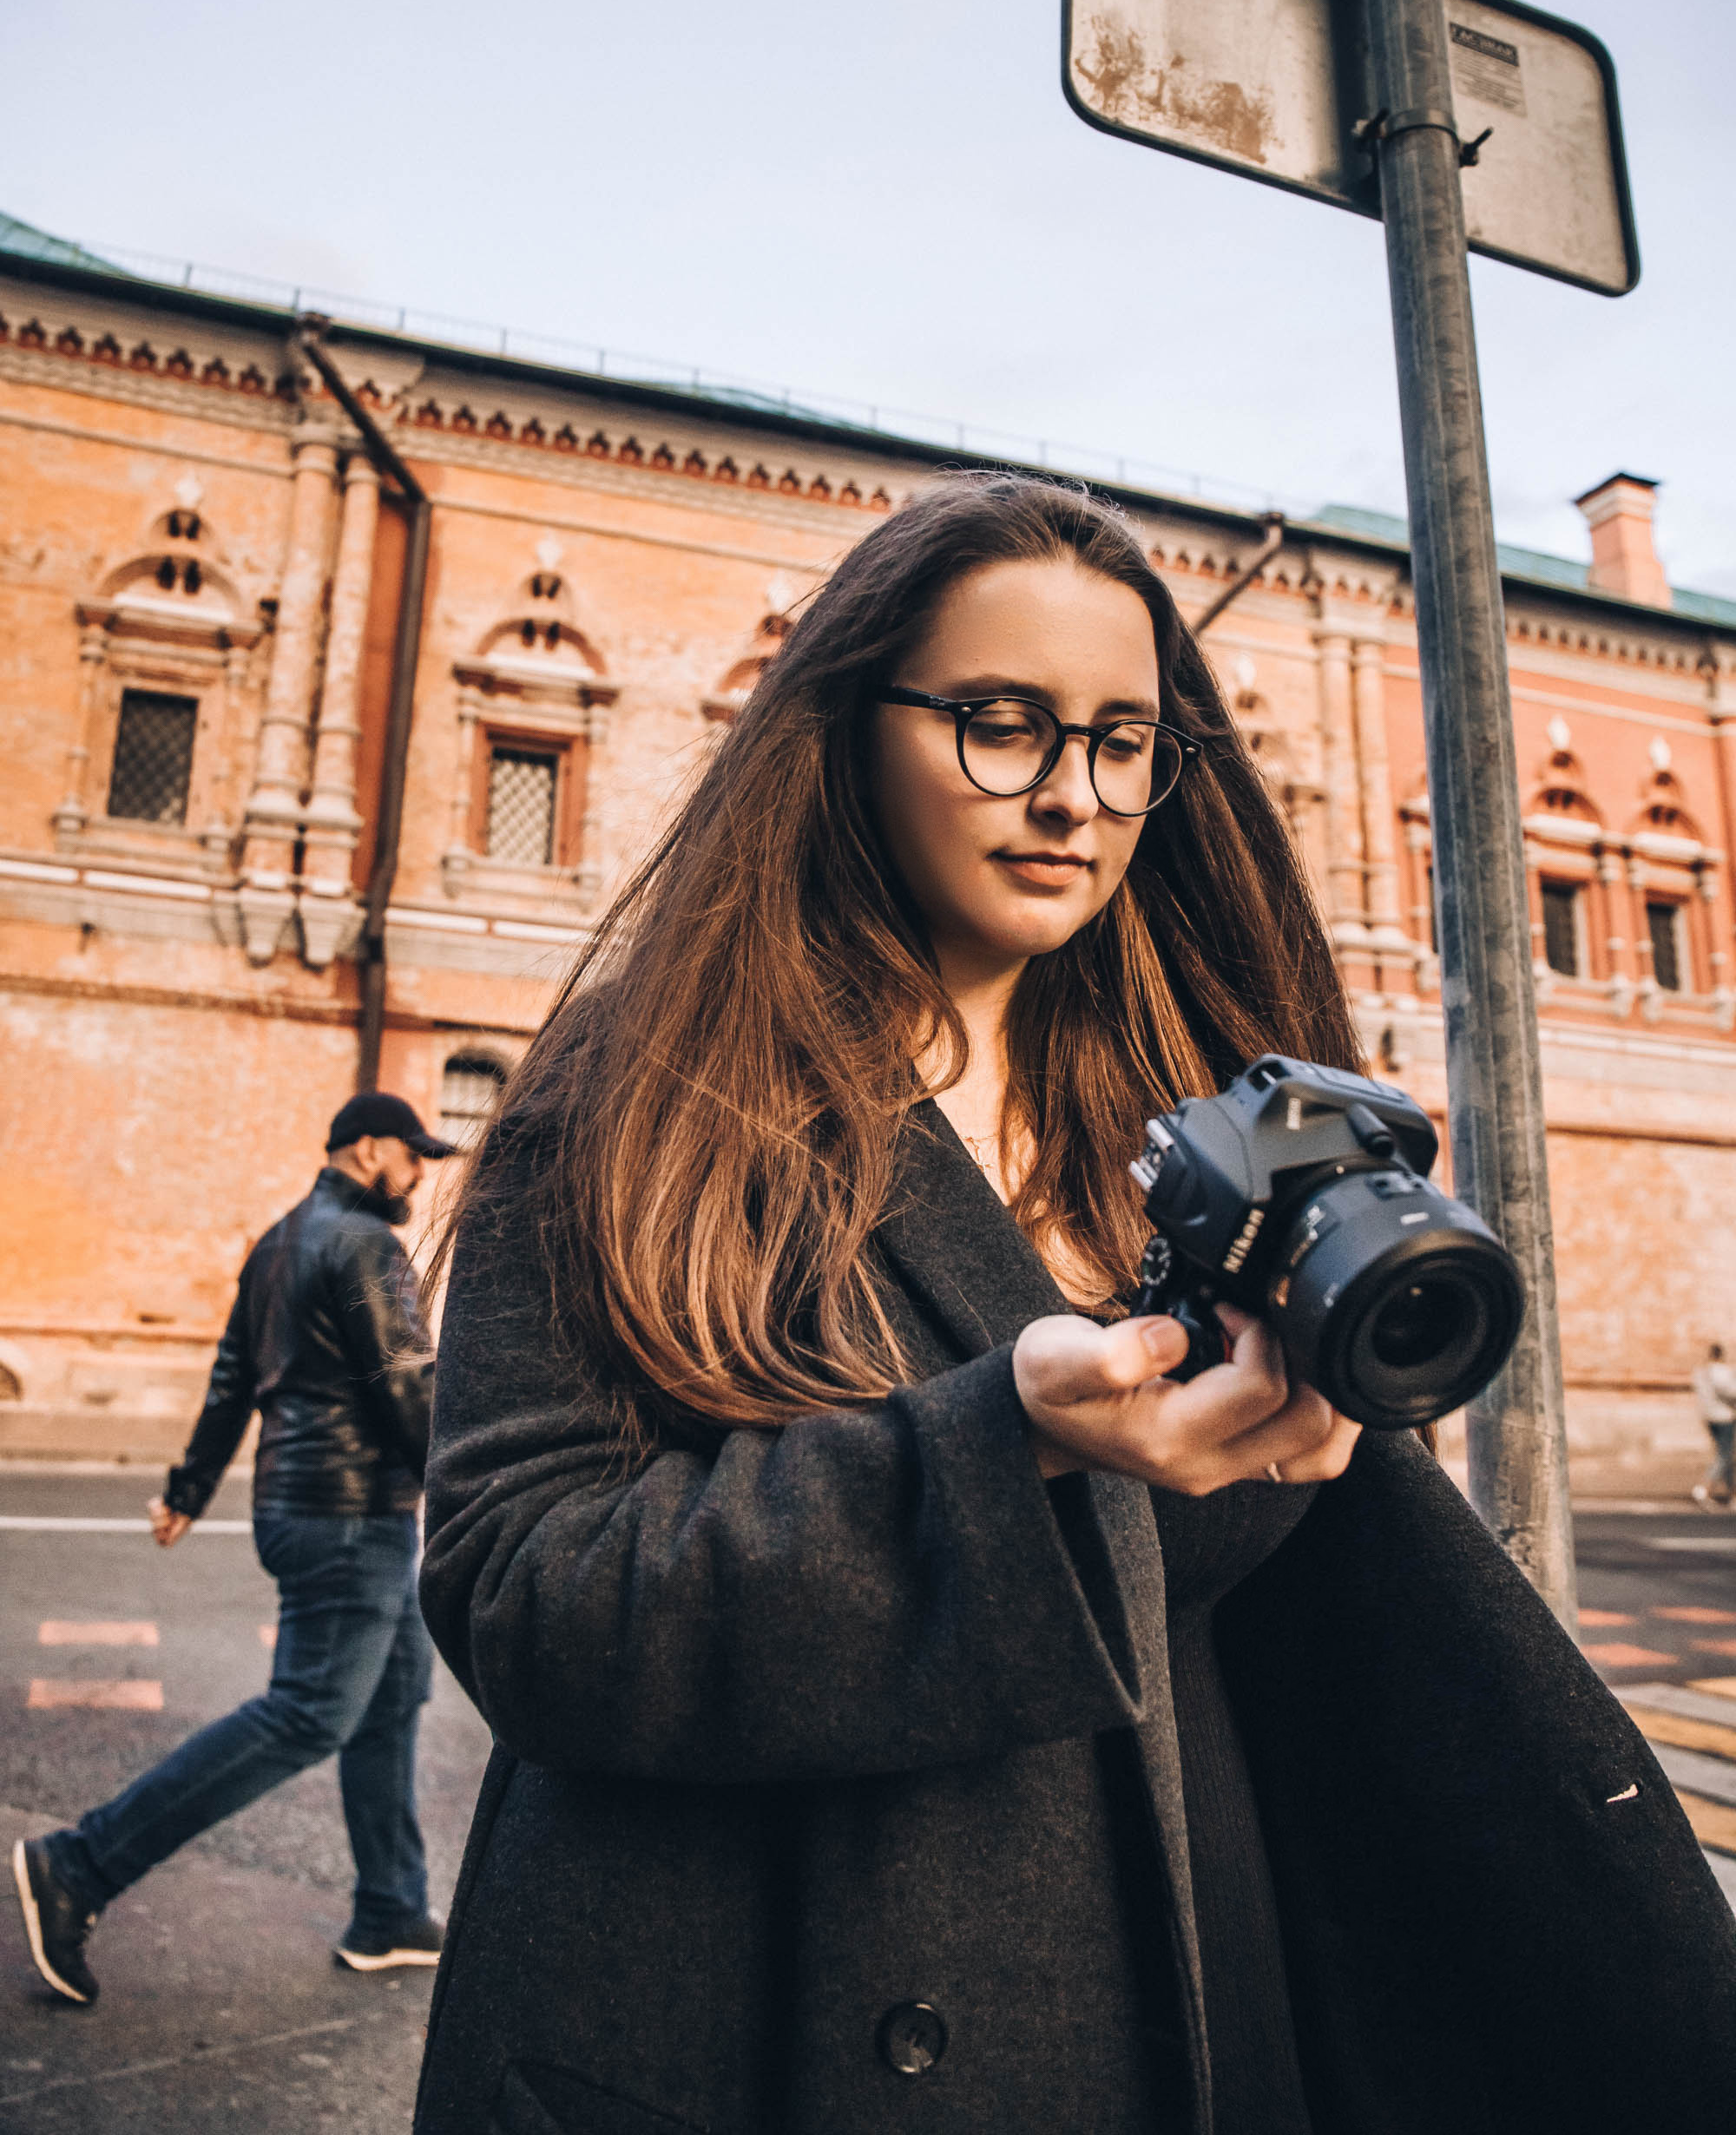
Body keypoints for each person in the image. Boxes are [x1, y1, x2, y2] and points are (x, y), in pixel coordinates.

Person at [412, 476, 1736, 2135]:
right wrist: (1003, 1448)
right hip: (763, 2007)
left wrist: (1316, 1420)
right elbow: (524, 1598)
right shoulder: (644, 1093)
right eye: (1002, 724)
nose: (1073, 796)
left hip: (1172, 1981)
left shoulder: (1202, 1106)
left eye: (1123, 742)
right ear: (847, 729)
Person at [12, 1090, 456, 2006]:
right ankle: (79, 1865)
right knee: (307, 1714)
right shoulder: (366, 1244)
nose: (419, 1172)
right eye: (410, 1153)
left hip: (303, 1507)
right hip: (353, 1516)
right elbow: (408, 1388)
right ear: (365, 1149)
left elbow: (229, 1380)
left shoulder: (276, 1243)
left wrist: (188, 1491)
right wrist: (473, 1489)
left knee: (391, 1700)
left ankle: (390, 1908)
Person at [1693, 1340, 1736, 1507]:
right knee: (1724, 1455)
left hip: (1709, 1416)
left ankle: (1732, 1493)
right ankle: (1703, 1488)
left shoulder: (1701, 1372)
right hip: (1724, 1417)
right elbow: (1731, 1391)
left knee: (1726, 1455)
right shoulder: (1721, 1372)